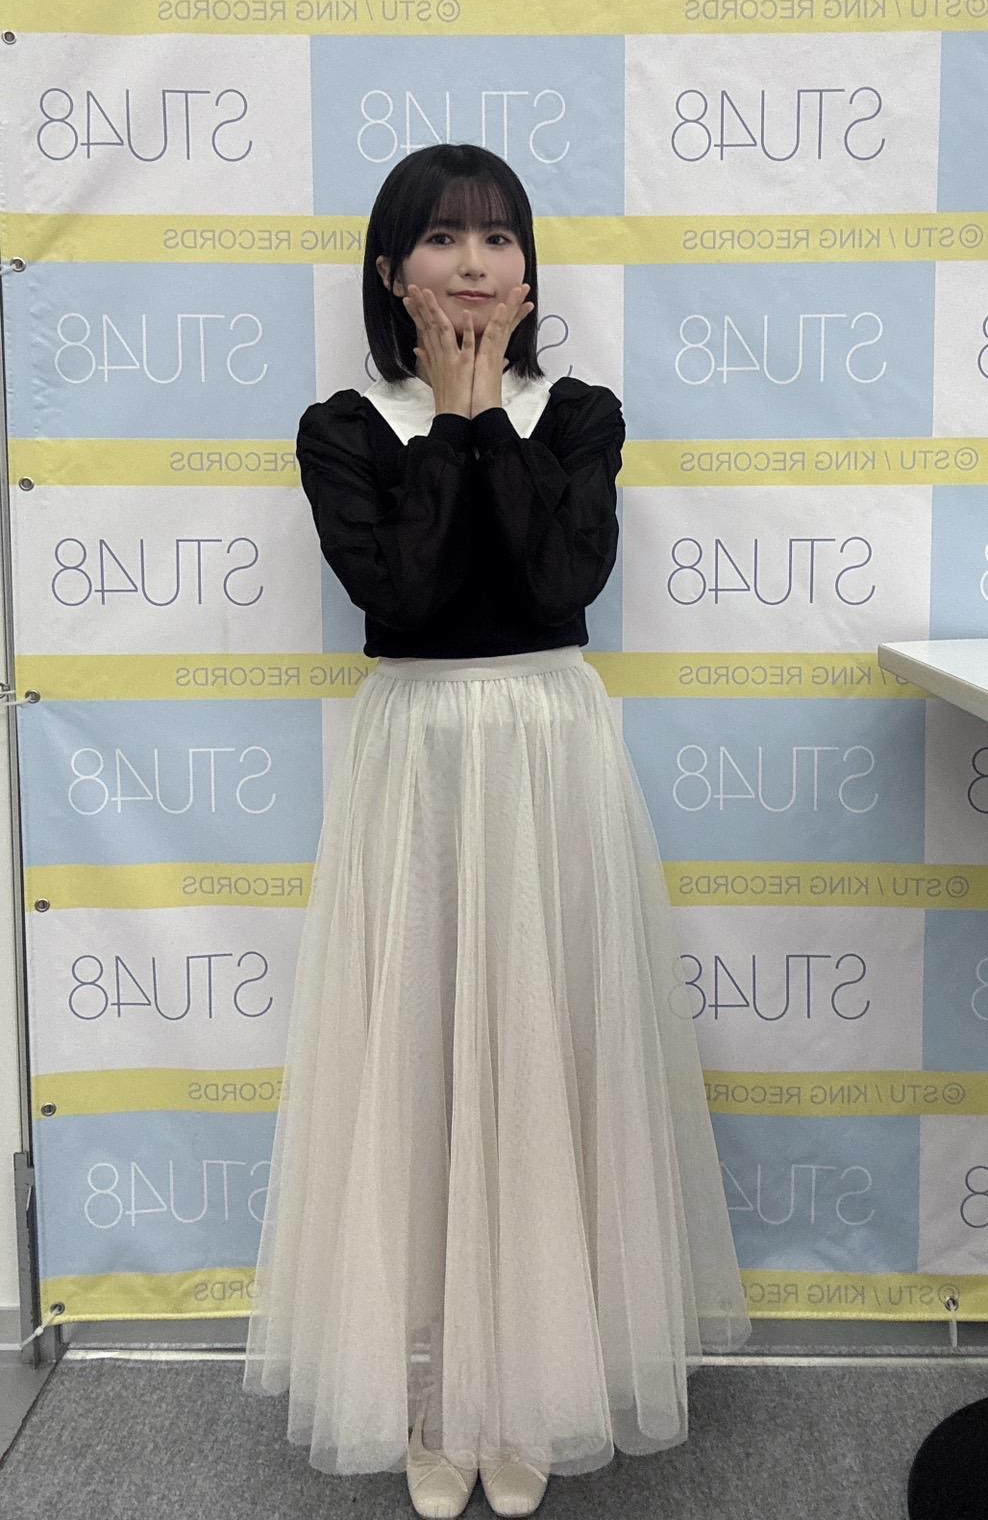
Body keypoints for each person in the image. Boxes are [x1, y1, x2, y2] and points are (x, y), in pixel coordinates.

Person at [241, 143, 752, 1517]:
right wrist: (454, 420)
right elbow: (403, 599)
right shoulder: (342, 426)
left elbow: (557, 576)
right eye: (442, 237)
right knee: (417, 1059)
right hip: (417, 759)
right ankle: (429, 1386)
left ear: (529, 270)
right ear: (390, 269)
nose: (472, 263)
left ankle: (528, 1384)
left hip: (545, 748)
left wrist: (484, 422)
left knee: (544, 1052)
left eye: (498, 237)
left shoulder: (581, 414)